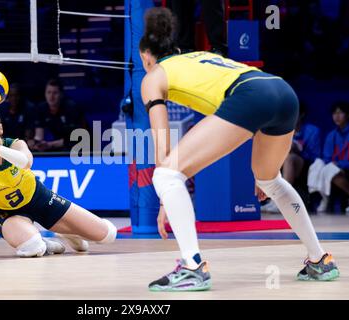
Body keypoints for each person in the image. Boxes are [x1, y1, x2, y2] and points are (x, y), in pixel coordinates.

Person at [138, 7, 339, 292]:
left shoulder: (152, 76)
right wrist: (265, 163)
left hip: (251, 96)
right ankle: (320, 261)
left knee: (166, 175)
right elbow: (248, 107)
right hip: (281, 90)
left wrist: (165, 195)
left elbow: (162, 144)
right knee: (269, 179)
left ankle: (192, 267)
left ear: (146, 56)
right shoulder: (200, 56)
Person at [0, 107, 116, 258]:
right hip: (5, 213)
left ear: (0, 128)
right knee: (33, 247)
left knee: (108, 234)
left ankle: (69, 233)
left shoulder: (15, 144)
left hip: (38, 198)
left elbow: (26, 162)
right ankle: (44, 243)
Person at [262, 101, 322, 213]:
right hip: (280, 162)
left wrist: (297, 149)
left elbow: (315, 156)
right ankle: (271, 200)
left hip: (304, 165)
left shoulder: (312, 131)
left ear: (302, 114)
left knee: (289, 158)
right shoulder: (282, 129)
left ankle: (280, 201)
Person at [29, 79, 89, 152]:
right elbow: (39, 136)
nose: (51, 96)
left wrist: (50, 145)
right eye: (49, 92)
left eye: (55, 93)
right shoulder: (41, 108)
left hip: (78, 145)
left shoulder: (72, 108)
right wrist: (35, 143)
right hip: (57, 144)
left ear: (61, 94)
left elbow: (77, 137)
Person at [321, 101, 349, 213]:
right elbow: (326, 158)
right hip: (336, 169)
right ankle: (324, 199)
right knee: (328, 170)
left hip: (345, 167)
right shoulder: (331, 135)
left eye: (340, 113)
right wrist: (337, 166)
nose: (337, 116)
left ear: (347, 115)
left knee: (332, 171)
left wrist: (341, 165)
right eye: (334, 113)